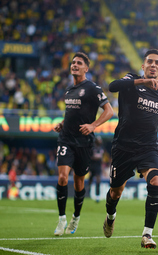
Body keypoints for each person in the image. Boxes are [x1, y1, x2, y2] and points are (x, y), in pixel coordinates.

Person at [103, 49, 158, 249]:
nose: (153, 65)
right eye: (149, 62)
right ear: (143, 66)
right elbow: (112, 86)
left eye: (157, 63)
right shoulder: (132, 80)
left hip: (148, 148)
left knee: (155, 180)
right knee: (115, 192)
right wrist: (142, 82)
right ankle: (110, 217)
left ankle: (147, 234)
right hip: (123, 147)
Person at [53, 52, 114, 236]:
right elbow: (72, 114)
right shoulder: (69, 90)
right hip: (65, 139)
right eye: (73, 62)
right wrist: (62, 124)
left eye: (79, 63)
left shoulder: (93, 88)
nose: (74, 65)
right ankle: (61, 219)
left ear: (86, 68)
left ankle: (76, 217)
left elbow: (109, 111)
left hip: (84, 143)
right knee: (63, 177)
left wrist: (93, 125)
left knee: (79, 181)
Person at [88, 136, 104, 203]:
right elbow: (92, 156)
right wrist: (98, 157)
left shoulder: (101, 148)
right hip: (92, 166)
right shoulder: (93, 148)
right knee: (90, 179)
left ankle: (97, 196)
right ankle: (88, 192)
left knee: (98, 180)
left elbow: (101, 157)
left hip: (98, 167)